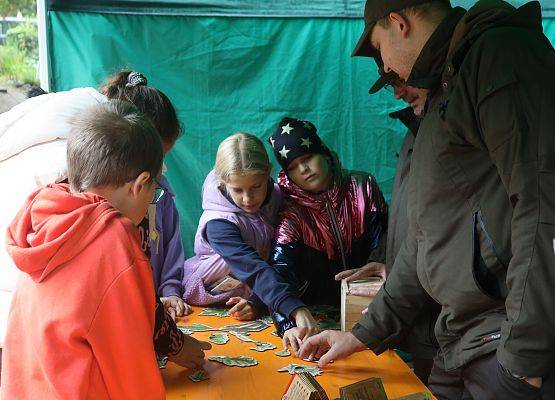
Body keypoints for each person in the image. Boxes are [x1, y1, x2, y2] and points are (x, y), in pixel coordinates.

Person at [300, 0, 555, 398]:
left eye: (381, 51)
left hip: (500, 342)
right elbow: (425, 239)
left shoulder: (500, 54)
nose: (388, 72)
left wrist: (524, 360)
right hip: (460, 343)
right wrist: (361, 335)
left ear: (400, 24)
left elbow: (542, 206)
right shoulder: (445, 90)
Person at [0, 100, 211, 399]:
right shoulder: (114, 238)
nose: (154, 196)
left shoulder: (45, 210)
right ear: (140, 185)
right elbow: (130, 362)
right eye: (155, 190)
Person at [267, 117, 387, 353]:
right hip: (318, 314)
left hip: (368, 305)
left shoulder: (363, 186)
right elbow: (279, 273)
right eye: (292, 166)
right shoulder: (291, 214)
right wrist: (288, 323)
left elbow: (384, 244)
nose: (303, 169)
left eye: (308, 158)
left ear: (323, 153)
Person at [182, 132, 307, 321]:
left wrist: (256, 302)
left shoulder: (278, 197)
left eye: (256, 186)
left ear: (268, 173)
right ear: (223, 182)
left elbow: (284, 255)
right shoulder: (218, 224)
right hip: (217, 294)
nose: (248, 199)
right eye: (237, 190)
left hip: (263, 289)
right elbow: (252, 267)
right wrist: (295, 309)